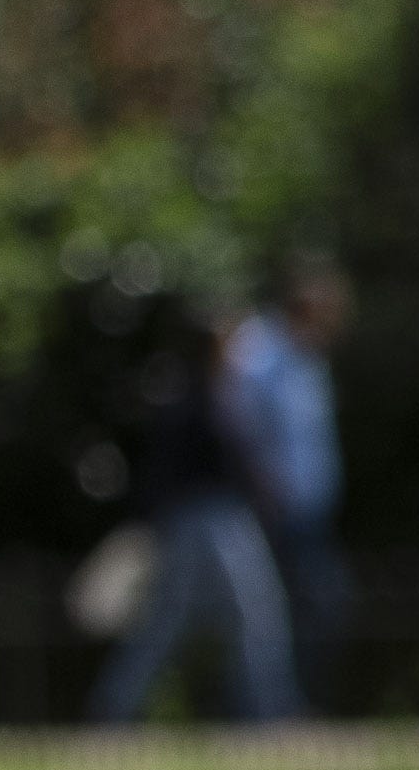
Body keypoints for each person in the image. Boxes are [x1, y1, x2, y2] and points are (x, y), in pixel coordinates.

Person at [88, 295, 300, 726]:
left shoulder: (206, 394)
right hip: (212, 520)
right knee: (253, 614)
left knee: (168, 622)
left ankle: (113, 708)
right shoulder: (199, 398)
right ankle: (270, 716)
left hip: (197, 521)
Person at [232, 259, 355, 703]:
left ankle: (289, 707)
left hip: (311, 513)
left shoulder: (309, 360)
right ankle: (276, 709)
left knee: (315, 610)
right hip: (273, 514)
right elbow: (241, 432)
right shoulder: (260, 354)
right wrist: (263, 492)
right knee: (287, 613)